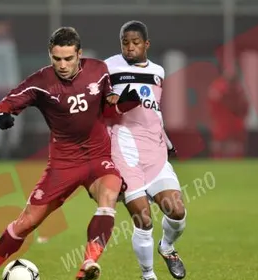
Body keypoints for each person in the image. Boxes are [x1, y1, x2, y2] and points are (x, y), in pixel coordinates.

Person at [0, 27, 141, 280]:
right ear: (50, 56)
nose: (62, 65)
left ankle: (88, 264)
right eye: (57, 59)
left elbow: (109, 108)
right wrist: (1, 115)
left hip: (98, 157)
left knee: (108, 197)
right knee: (27, 222)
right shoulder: (40, 83)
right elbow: (6, 102)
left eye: (68, 58)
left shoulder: (98, 70)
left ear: (79, 55)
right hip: (63, 163)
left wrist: (125, 102)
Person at [104, 21, 187, 280]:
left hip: (154, 150)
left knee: (177, 212)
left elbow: (153, 111)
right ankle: (148, 275)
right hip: (124, 152)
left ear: (146, 44)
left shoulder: (158, 72)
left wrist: (167, 139)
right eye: (125, 43)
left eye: (135, 43)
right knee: (144, 220)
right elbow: (99, 106)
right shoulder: (108, 67)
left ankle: (168, 247)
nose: (129, 48)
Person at [207, 70, 249, 159]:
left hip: (234, 124)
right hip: (222, 124)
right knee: (220, 146)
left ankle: (236, 164)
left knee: (235, 147)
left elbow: (244, 108)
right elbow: (213, 104)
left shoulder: (238, 90)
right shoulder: (218, 88)